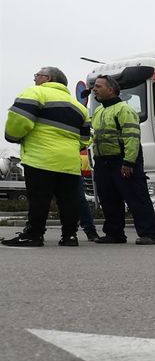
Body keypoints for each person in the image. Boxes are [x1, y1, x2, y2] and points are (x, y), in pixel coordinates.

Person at [2, 66, 90, 247]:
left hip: (41, 159)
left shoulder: (36, 93)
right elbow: (85, 139)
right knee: (68, 200)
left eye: (37, 75)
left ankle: (34, 235)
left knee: (39, 198)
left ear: (48, 78)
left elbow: (19, 119)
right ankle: (70, 236)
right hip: (69, 162)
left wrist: (12, 137)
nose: (35, 78)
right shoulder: (79, 107)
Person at [88, 75, 155, 245]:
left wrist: (129, 162)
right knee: (109, 199)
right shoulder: (98, 111)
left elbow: (132, 138)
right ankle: (114, 233)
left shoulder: (124, 110)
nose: (94, 89)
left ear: (110, 90)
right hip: (103, 161)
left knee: (136, 198)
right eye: (94, 86)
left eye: (98, 86)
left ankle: (149, 234)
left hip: (122, 160)